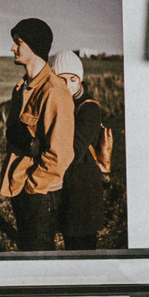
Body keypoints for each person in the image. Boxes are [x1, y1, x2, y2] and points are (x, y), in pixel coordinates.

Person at [0, 16, 73, 252]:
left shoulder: (54, 91)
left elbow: (60, 154)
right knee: (26, 247)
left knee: (39, 254)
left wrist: (33, 185)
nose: (12, 47)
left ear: (35, 46)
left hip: (40, 192)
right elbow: (13, 133)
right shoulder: (21, 88)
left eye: (18, 42)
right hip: (20, 183)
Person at [51, 50, 113, 251]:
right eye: (62, 79)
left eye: (73, 79)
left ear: (80, 81)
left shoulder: (88, 108)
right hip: (66, 185)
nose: (68, 85)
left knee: (82, 247)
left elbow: (74, 151)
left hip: (84, 188)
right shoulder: (59, 103)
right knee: (70, 242)